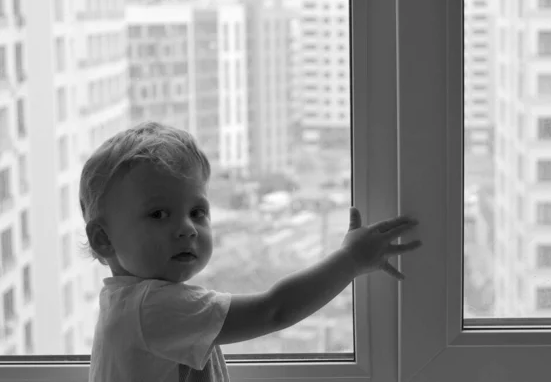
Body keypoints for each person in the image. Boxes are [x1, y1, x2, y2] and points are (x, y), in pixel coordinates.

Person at [81, 121, 423, 382]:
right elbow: (274, 310)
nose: (187, 228)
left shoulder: (124, 302)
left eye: (197, 212)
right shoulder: (151, 308)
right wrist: (351, 260)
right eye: (158, 214)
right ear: (103, 240)